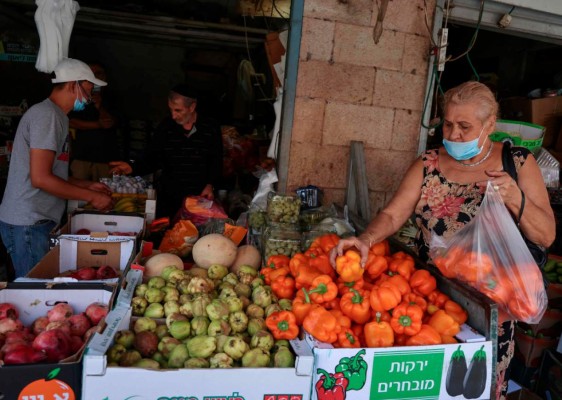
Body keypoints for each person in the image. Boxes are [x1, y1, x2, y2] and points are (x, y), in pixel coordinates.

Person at [331, 81, 555, 399]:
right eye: (448, 124)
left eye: (465, 127)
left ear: (490, 125)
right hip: (431, 303)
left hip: (494, 307)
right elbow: (394, 215)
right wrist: (366, 239)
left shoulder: (517, 163)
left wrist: (515, 198)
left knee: (476, 388)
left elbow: (546, 235)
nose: (453, 135)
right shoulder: (428, 164)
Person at [0, 58, 114, 279]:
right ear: (74, 85)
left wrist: (87, 185)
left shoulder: (58, 117)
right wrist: (90, 196)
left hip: (36, 220)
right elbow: (41, 178)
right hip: (28, 223)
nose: (90, 96)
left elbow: (54, 174)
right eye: (89, 87)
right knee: (35, 291)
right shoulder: (47, 116)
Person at [109, 83, 223, 219]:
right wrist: (132, 167)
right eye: (171, 110)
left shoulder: (210, 127)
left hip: (199, 197)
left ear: (192, 107)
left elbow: (217, 160)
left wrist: (210, 184)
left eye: (178, 110)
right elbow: (152, 158)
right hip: (170, 196)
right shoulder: (166, 127)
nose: (173, 116)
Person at [68, 62, 120, 181]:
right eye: (91, 73)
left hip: (105, 157)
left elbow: (109, 122)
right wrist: (97, 124)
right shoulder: (78, 95)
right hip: (81, 156)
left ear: (104, 76)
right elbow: (71, 121)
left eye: (98, 73)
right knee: (77, 194)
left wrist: (99, 106)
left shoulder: (112, 97)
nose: (95, 76)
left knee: (104, 192)